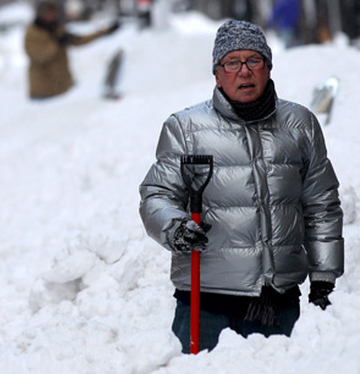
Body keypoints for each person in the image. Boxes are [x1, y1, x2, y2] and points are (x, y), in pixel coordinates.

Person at [139, 19, 343, 352]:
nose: (244, 71)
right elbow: (156, 196)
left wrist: (323, 276)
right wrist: (174, 227)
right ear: (217, 73)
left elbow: (321, 204)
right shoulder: (186, 128)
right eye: (232, 62)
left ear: (268, 67)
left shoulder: (300, 125)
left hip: (277, 301)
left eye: (254, 61)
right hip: (206, 302)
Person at [24, 0, 118, 100]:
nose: (53, 16)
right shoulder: (33, 34)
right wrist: (56, 44)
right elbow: (39, 56)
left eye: (54, 13)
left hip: (62, 87)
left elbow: (79, 40)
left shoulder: (56, 28)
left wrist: (105, 31)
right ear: (42, 15)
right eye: (50, 14)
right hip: (43, 92)